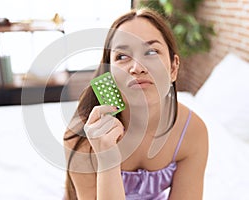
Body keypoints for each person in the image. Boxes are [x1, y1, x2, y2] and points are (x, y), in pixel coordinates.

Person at [63, 8, 208, 200]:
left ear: (173, 68)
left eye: (151, 52)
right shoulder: (79, 137)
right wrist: (108, 158)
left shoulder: (192, 132)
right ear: (109, 75)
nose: (137, 68)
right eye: (122, 56)